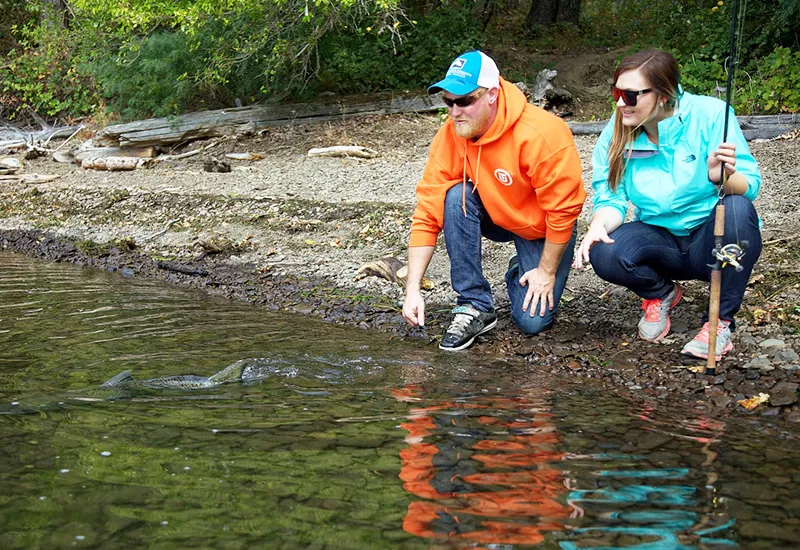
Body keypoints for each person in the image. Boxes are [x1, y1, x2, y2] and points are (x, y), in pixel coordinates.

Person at [573, 49, 762, 360]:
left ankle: (719, 323)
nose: (620, 103)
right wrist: (597, 225)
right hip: (660, 240)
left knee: (738, 210)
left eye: (630, 95)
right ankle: (661, 293)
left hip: (710, 241)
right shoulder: (618, 127)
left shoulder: (712, 114)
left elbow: (750, 187)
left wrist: (721, 177)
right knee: (603, 249)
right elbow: (612, 198)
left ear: (662, 95)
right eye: (617, 92)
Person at [402, 50, 586, 351]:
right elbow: (426, 214)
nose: (455, 111)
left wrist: (545, 272)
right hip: (494, 211)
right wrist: (412, 290)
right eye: (448, 101)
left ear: (492, 94)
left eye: (464, 101)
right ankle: (474, 304)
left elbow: (564, 211)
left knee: (532, 323)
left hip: (542, 226)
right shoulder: (451, 135)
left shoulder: (541, 133)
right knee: (454, 196)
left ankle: (521, 267)